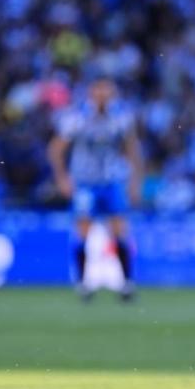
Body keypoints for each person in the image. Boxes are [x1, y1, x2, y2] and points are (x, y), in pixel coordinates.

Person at [48, 78, 143, 302]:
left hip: (112, 181)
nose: (103, 94)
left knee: (120, 229)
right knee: (83, 231)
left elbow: (132, 149)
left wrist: (135, 181)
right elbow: (55, 149)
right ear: (91, 92)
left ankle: (127, 284)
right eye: (98, 89)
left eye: (107, 89)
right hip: (85, 183)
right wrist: (62, 178)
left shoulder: (122, 117)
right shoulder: (76, 117)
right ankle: (82, 283)